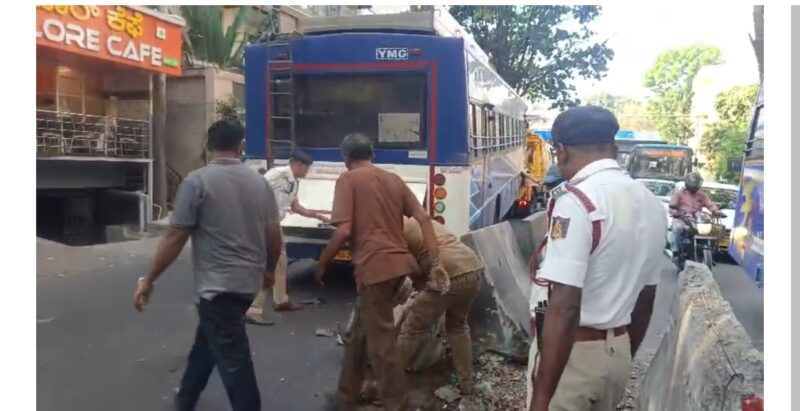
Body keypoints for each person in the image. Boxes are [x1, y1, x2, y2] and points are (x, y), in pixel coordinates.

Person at [132, 119, 282, 411]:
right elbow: (274, 237)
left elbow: (176, 237)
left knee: (234, 362)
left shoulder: (196, 181)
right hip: (246, 284)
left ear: (208, 147)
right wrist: (268, 271)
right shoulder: (260, 183)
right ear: (241, 146)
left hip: (217, 288)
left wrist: (148, 279)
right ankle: (185, 399)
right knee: (208, 342)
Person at [526, 106, 667, 411]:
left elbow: (565, 306)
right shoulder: (652, 204)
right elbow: (646, 298)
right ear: (611, 147)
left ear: (561, 151)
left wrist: (541, 399)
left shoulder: (577, 202)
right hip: (618, 353)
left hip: (571, 359)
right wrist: (622, 356)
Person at [314, 132, 447, 411]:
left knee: (381, 344)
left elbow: (344, 230)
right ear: (372, 155)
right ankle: (347, 395)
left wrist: (323, 261)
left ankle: (397, 403)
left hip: (375, 268)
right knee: (360, 335)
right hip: (398, 266)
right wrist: (435, 263)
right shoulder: (393, 179)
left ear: (345, 158)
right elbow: (424, 218)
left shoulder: (348, 179)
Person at [397, 217, 484, 395]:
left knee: (411, 330)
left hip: (446, 273)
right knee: (458, 326)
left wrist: (418, 286)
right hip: (472, 267)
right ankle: (466, 384)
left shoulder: (395, 230)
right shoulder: (415, 222)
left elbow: (413, 268)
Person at [245, 150, 330, 325]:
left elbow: (296, 207)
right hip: (264, 224)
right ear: (298, 165)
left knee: (281, 262)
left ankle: (281, 300)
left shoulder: (294, 182)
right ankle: (254, 309)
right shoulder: (277, 174)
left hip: (275, 225)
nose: (308, 172)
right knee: (269, 263)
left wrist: (318, 216)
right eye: (307, 168)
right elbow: (253, 192)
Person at [668, 172, 722, 256]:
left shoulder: (702, 195)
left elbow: (709, 204)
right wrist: (676, 212)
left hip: (697, 220)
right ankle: (675, 251)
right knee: (678, 228)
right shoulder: (679, 193)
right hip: (681, 218)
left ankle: (711, 249)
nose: (694, 185)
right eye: (692, 182)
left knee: (712, 230)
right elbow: (672, 205)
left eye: (696, 182)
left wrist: (716, 211)